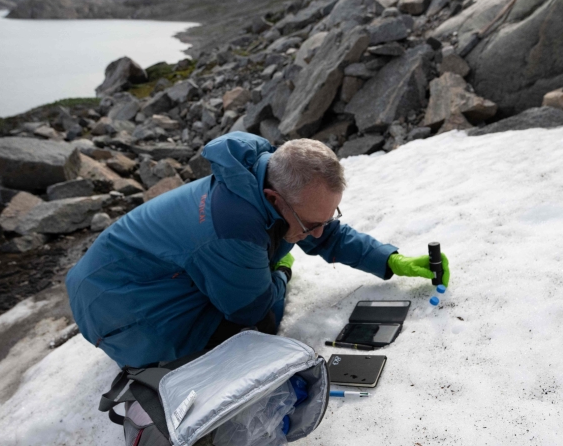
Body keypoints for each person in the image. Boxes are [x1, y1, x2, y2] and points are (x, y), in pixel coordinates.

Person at [66, 131, 450, 369]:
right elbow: (254, 313)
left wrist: (391, 259)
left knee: (257, 272)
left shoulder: (265, 179)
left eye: (327, 216)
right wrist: (281, 269)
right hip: (115, 312)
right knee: (249, 330)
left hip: (126, 274)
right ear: (274, 199)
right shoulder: (233, 228)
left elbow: (325, 234)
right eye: (312, 223)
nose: (320, 230)